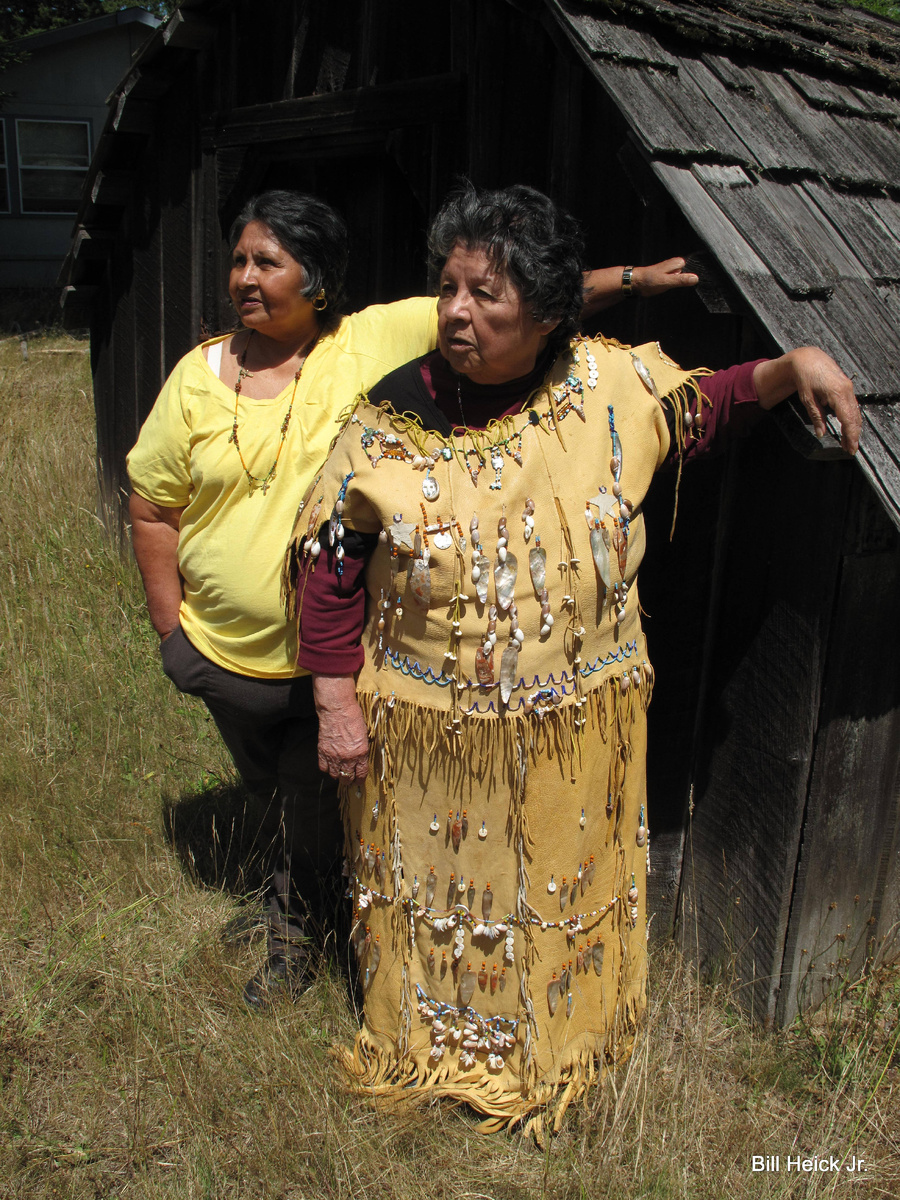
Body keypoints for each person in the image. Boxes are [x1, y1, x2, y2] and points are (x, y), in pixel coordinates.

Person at [284, 183, 860, 1132]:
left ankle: (559, 1052)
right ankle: (430, 1052)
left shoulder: (607, 387)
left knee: (554, 888)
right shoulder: (388, 419)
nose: (457, 312)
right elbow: (331, 573)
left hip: (573, 737)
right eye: (449, 288)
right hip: (425, 743)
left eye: (487, 295)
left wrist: (793, 364)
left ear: (549, 315)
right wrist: (336, 707)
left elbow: (703, 409)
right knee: (437, 895)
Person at [126, 188, 693, 1010]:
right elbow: (151, 506)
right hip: (220, 653)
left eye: (267, 262)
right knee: (273, 797)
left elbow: (524, 295)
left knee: (317, 805)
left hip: (326, 658)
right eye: (239, 261)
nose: (245, 278)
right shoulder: (197, 377)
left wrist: (633, 278)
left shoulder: (372, 341)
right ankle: (303, 902)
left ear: (315, 280)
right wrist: (171, 630)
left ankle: (301, 935)